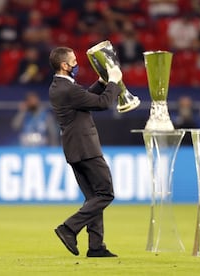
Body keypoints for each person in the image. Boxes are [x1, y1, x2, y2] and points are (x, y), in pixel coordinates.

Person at [48, 46, 123, 257]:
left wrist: (101, 83)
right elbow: (102, 103)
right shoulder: (69, 89)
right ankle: (69, 228)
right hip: (86, 148)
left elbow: (85, 99)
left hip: (74, 149)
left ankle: (96, 246)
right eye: (73, 61)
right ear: (64, 65)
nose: (76, 63)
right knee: (106, 193)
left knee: (93, 197)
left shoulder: (59, 86)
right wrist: (114, 81)